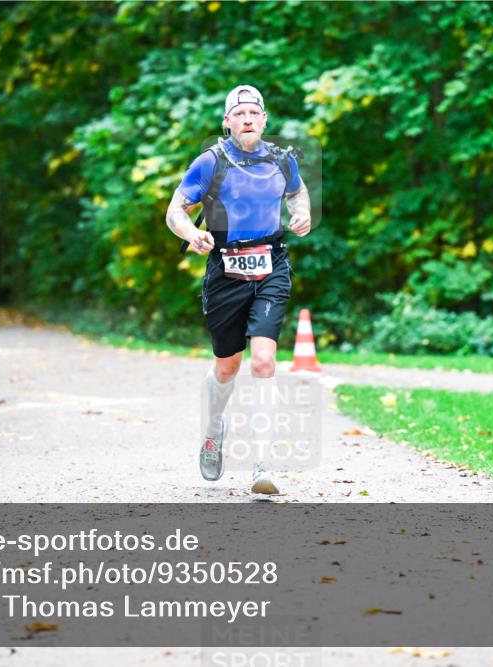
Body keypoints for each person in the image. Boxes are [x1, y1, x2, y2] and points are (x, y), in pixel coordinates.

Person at [165, 85, 312, 495]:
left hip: (272, 265)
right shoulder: (211, 162)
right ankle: (213, 430)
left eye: (254, 112)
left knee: (263, 361)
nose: (247, 118)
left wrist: (302, 214)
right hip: (225, 270)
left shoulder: (282, 160)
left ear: (264, 120)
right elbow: (176, 209)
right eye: (239, 112)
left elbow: (298, 193)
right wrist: (192, 232)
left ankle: (262, 463)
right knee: (227, 365)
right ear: (227, 121)